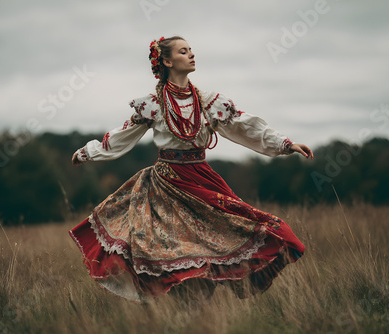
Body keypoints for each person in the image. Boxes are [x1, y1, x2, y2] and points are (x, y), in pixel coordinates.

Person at [69, 36, 314, 303]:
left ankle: (201, 306)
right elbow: (121, 136)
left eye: (191, 50)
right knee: (171, 250)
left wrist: (285, 144)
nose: (191, 55)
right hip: (166, 184)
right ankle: (183, 310)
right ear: (166, 61)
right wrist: (87, 152)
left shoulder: (208, 101)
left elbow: (245, 126)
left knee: (258, 229)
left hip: (202, 180)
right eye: (183, 52)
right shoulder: (152, 104)